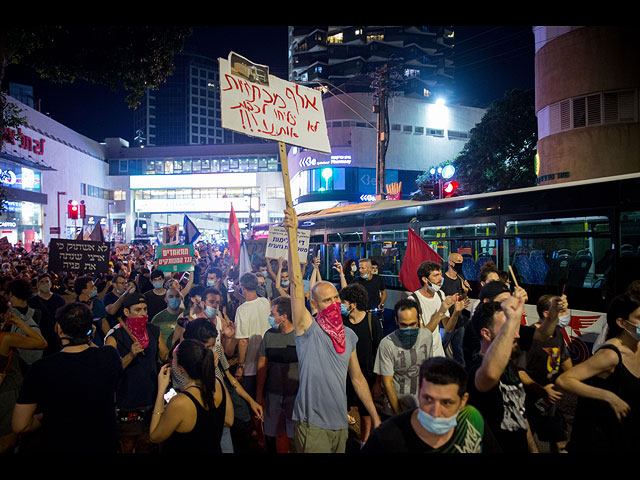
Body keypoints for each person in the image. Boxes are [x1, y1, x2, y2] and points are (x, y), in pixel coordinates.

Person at [283, 206, 381, 453]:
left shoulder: (348, 335)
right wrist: (292, 235)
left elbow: (357, 378)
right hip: (312, 425)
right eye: (328, 300)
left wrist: (373, 414)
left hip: (340, 425)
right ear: (313, 304)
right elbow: (296, 285)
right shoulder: (308, 329)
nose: (335, 303)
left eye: (337, 297)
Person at [12, 302, 122, 453]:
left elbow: (20, 425)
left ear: (58, 328)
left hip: (60, 444)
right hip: (104, 443)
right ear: (91, 329)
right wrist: (89, 338)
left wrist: (42, 418)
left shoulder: (41, 368)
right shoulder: (110, 356)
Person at [465, 292, 560, 453]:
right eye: (505, 329)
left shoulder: (509, 367)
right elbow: (490, 376)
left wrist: (532, 448)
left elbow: (518, 412)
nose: (516, 334)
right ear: (486, 334)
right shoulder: (477, 369)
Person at [555, 292, 640, 453]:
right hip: (606, 439)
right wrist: (609, 396)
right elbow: (565, 380)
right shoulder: (610, 355)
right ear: (622, 323)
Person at [361, 356, 501, 453]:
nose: (435, 412)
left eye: (446, 403)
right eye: (428, 399)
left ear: (463, 401)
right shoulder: (387, 439)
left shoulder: (472, 419)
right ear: (419, 392)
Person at [183, 318, 263, 454]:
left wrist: (251, 401)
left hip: (223, 416)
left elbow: (231, 379)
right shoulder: (182, 363)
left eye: (213, 345)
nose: (212, 350)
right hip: (202, 422)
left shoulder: (216, 352)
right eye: (208, 347)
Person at [104, 293, 170, 453]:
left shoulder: (153, 330)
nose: (143, 313)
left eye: (145, 309)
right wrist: (130, 355)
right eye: (138, 310)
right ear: (126, 312)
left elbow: (164, 356)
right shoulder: (115, 337)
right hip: (128, 400)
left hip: (152, 397)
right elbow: (110, 370)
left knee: (148, 442)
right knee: (128, 444)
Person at [150, 338, 233, 453]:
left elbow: (155, 436)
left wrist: (161, 391)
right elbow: (229, 420)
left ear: (181, 369)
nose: (171, 361)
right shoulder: (217, 384)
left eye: (174, 359)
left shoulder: (181, 403)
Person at [518, 294, 573, 453]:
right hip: (528, 401)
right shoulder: (528, 336)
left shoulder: (558, 334)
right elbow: (519, 371)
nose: (566, 315)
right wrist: (541, 390)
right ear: (546, 314)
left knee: (560, 444)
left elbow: (565, 363)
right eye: (561, 311)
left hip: (550, 403)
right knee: (529, 447)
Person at [0, 295, 47, 453]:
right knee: (8, 440)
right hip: (6, 393)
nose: (11, 314)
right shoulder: (5, 339)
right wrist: (21, 323)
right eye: (9, 311)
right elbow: (41, 343)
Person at [374, 298, 434, 420]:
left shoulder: (426, 336)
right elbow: (387, 383)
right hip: (394, 411)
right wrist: (399, 415)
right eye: (404, 325)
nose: (408, 329)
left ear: (419, 319)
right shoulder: (387, 344)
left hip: (421, 408)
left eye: (412, 324)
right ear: (396, 321)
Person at [339, 283, 383, 443]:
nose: (340, 305)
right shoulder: (342, 322)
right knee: (341, 408)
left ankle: (364, 443)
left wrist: (378, 382)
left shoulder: (372, 321)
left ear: (353, 304)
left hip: (367, 376)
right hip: (344, 376)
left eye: (343, 302)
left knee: (366, 413)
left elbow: (379, 352)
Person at [256, 296, 299, 453]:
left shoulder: (301, 336)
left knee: (296, 434)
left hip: (296, 396)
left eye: (272, 314)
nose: (270, 317)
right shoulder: (269, 335)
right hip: (273, 395)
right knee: (278, 433)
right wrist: (259, 394)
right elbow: (262, 366)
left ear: (284, 317)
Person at [409, 261, 468, 358]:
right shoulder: (413, 301)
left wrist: (456, 312)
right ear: (425, 279)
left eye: (440, 274)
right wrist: (441, 311)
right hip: (422, 356)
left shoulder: (440, 295)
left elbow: (448, 328)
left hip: (438, 354)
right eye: (436, 275)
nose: (441, 278)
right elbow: (421, 337)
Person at [234, 272, 271, 399]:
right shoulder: (265, 302)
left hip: (251, 367)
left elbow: (243, 341)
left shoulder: (242, 310)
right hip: (267, 361)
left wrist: (240, 366)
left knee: (252, 400)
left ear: (242, 287)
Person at [441, 253, 471, 367]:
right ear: (450, 262)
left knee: (459, 351)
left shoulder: (460, 278)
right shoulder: (443, 280)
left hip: (459, 320)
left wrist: (466, 292)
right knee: (442, 347)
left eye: (461, 262)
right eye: (458, 262)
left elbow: (461, 298)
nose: (460, 265)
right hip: (446, 321)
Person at [6, 279, 44, 370]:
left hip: (15, 367)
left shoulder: (8, 317)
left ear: (10, 294)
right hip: (36, 365)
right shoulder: (38, 313)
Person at [27, 273, 65, 357]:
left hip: (55, 338)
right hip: (39, 337)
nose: (45, 284)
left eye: (47, 281)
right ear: (37, 285)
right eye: (42, 282)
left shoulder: (59, 300)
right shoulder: (31, 302)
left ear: (51, 283)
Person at [73, 275, 109, 347]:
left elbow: (103, 322)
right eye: (92, 287)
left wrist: (109, 337)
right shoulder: (74, 307)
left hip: (98, 342)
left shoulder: (97, 302)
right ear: (83, 290)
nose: (95, 288)